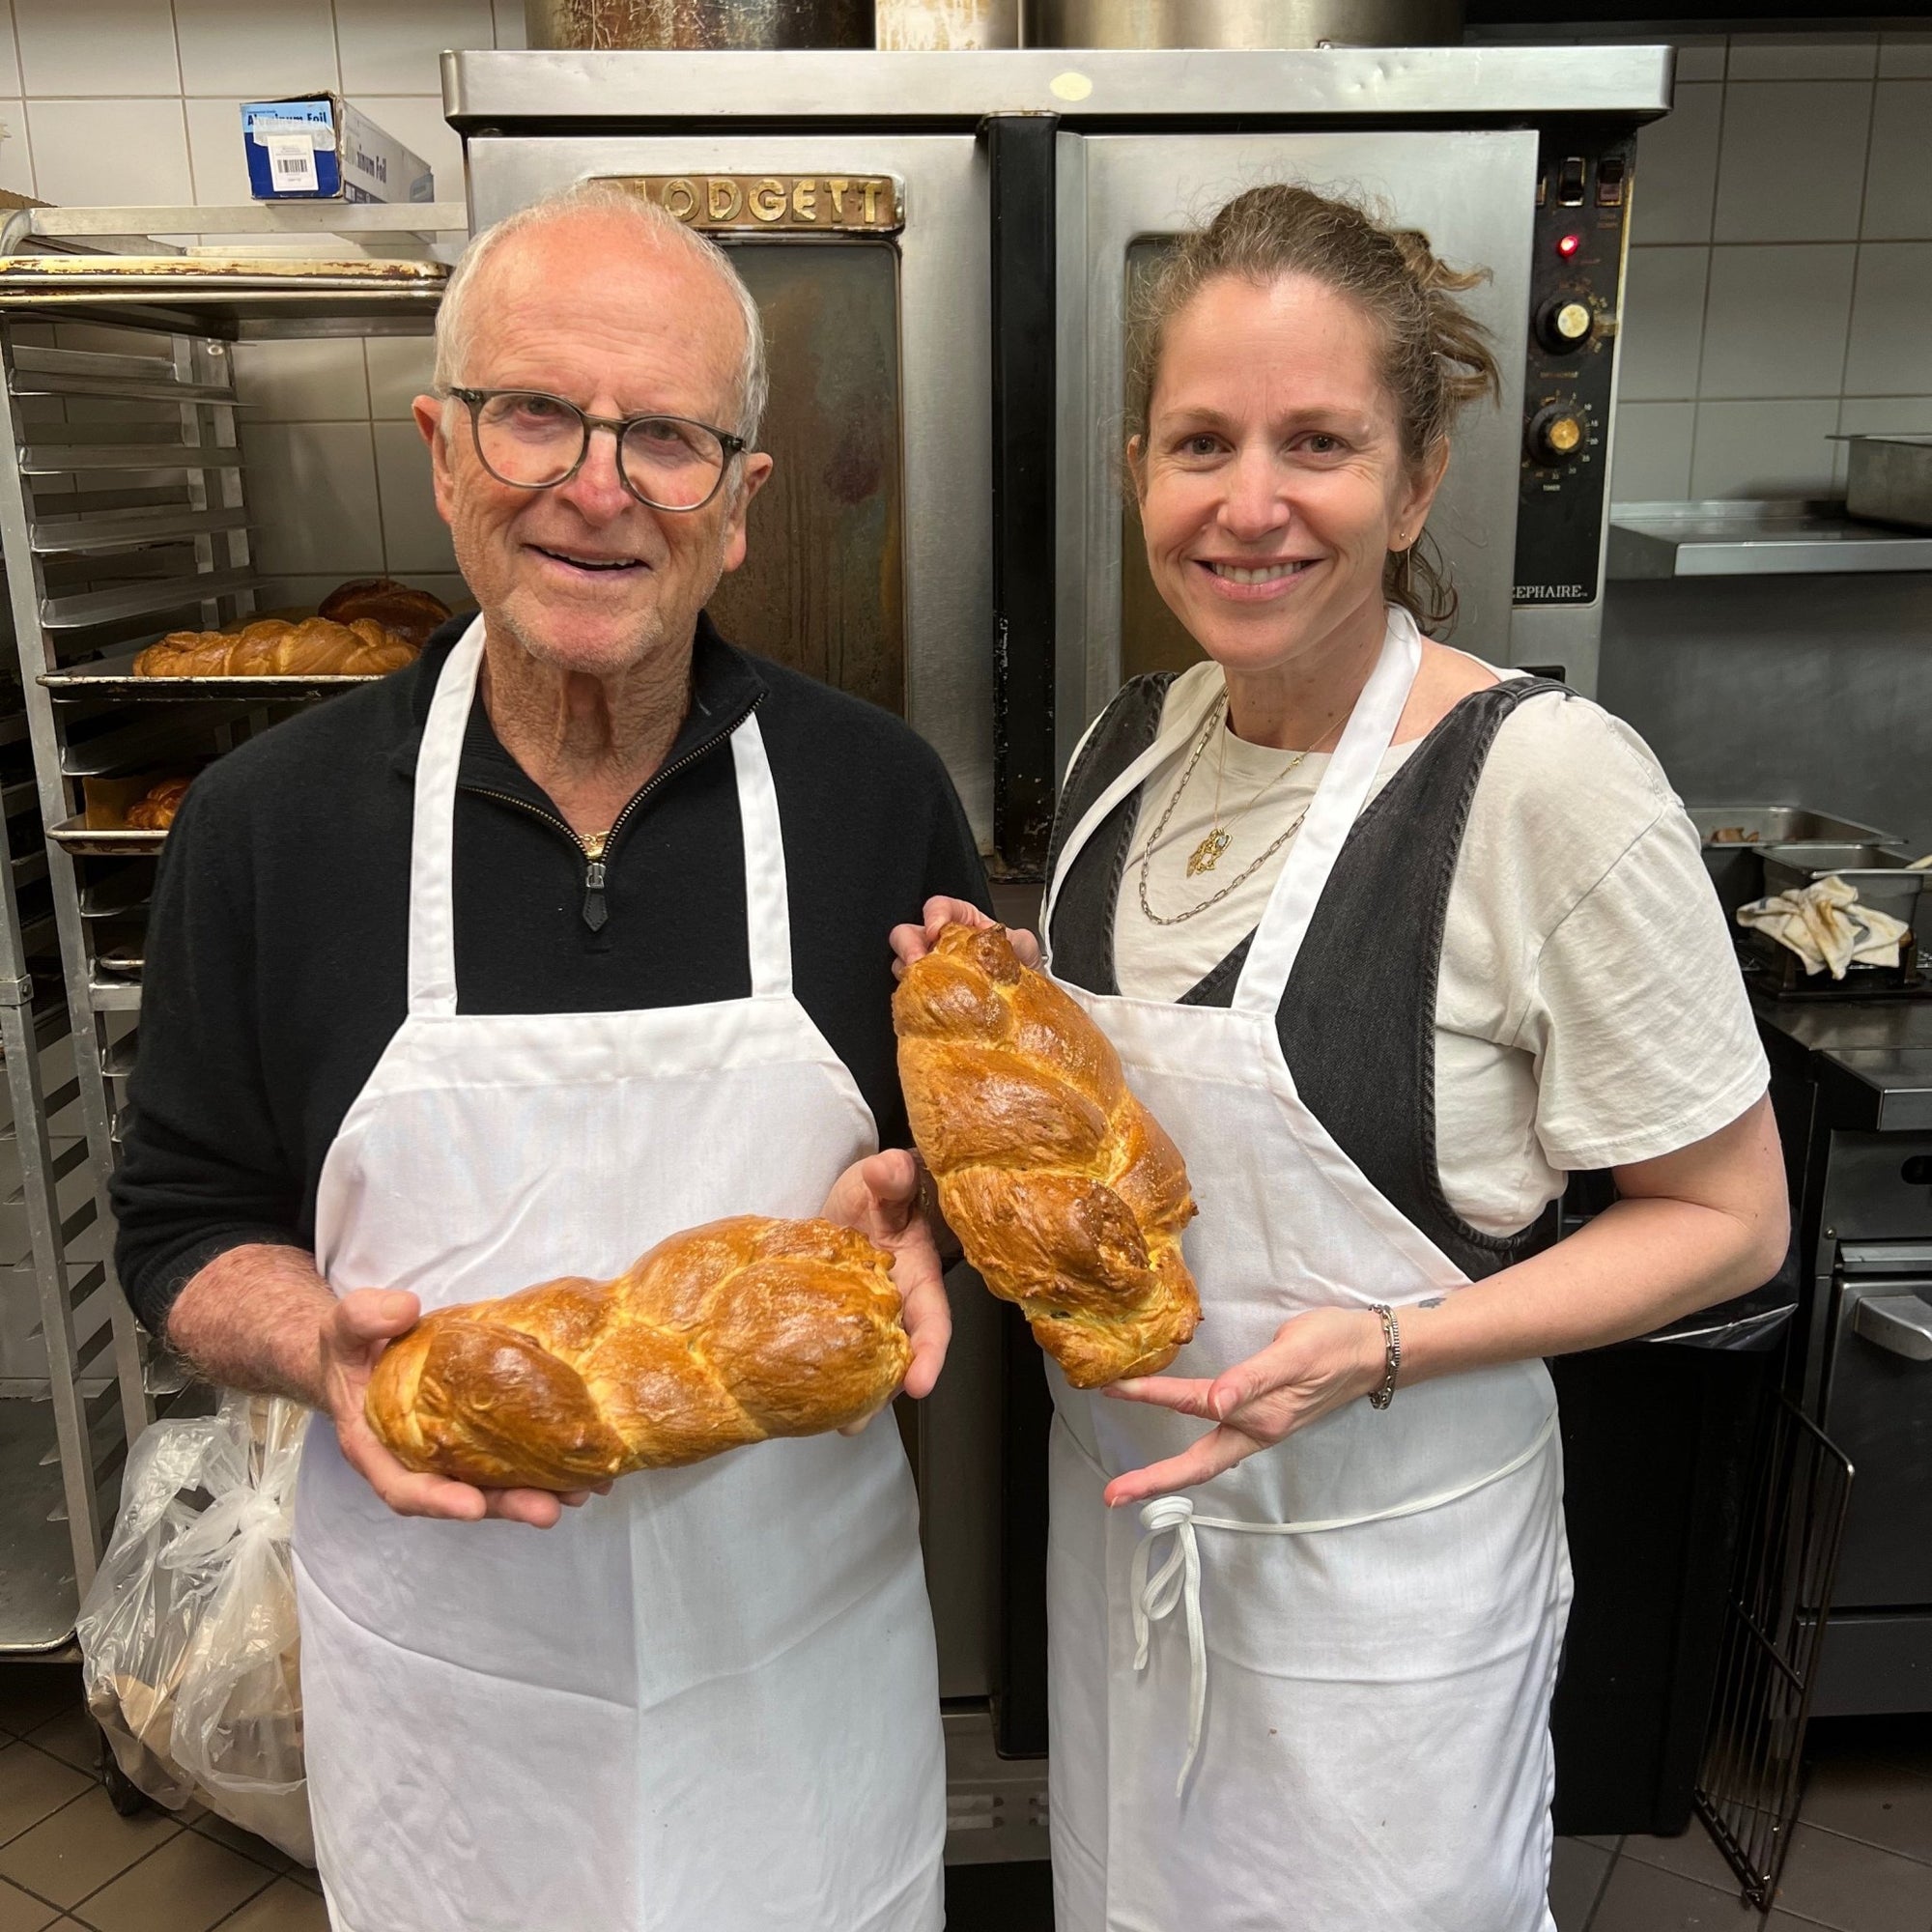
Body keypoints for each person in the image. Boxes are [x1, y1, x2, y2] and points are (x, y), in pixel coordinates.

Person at [894, 183, 1788, 1930]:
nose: (1249, 505)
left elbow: (1730, 1220)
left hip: (1388, 1598)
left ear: (1418, 478)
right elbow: (1127, 1162)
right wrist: (998, 1047)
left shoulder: (1543, 781)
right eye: (1199, 441)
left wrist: (1383, 1344)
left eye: (1318, 442)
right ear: (1136, 463)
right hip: (1139, 1547)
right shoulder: (1127, 748)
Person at [110, 182, 987, 1932]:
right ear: (442, 453)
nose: (598, 487)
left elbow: (946, 1187)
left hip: (792, 1684)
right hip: (451, 1696)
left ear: (737, 506)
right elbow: (176, 1225)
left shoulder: (874, 797)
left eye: (664, 435)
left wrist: (937, 1220)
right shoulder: (266, 826)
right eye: (538, 415)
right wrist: (316, 1344)